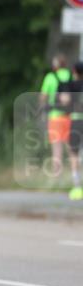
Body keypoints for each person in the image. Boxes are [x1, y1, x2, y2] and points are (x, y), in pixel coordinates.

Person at [40, 54, 73, 179]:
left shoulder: (50, 77)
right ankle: (74, 177)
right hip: (70, 116)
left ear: (55, 65)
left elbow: (43, 96)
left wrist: (43, 108)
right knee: (72, 150)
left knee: (57, 150)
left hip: (55, 117)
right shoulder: (71, 75)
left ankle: (57, 178)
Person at [56, 61, 83, 199]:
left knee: (74, 153)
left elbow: (64, 100)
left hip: (76, 120)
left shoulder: (70, 85)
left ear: (74, 71)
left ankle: (77, 185)